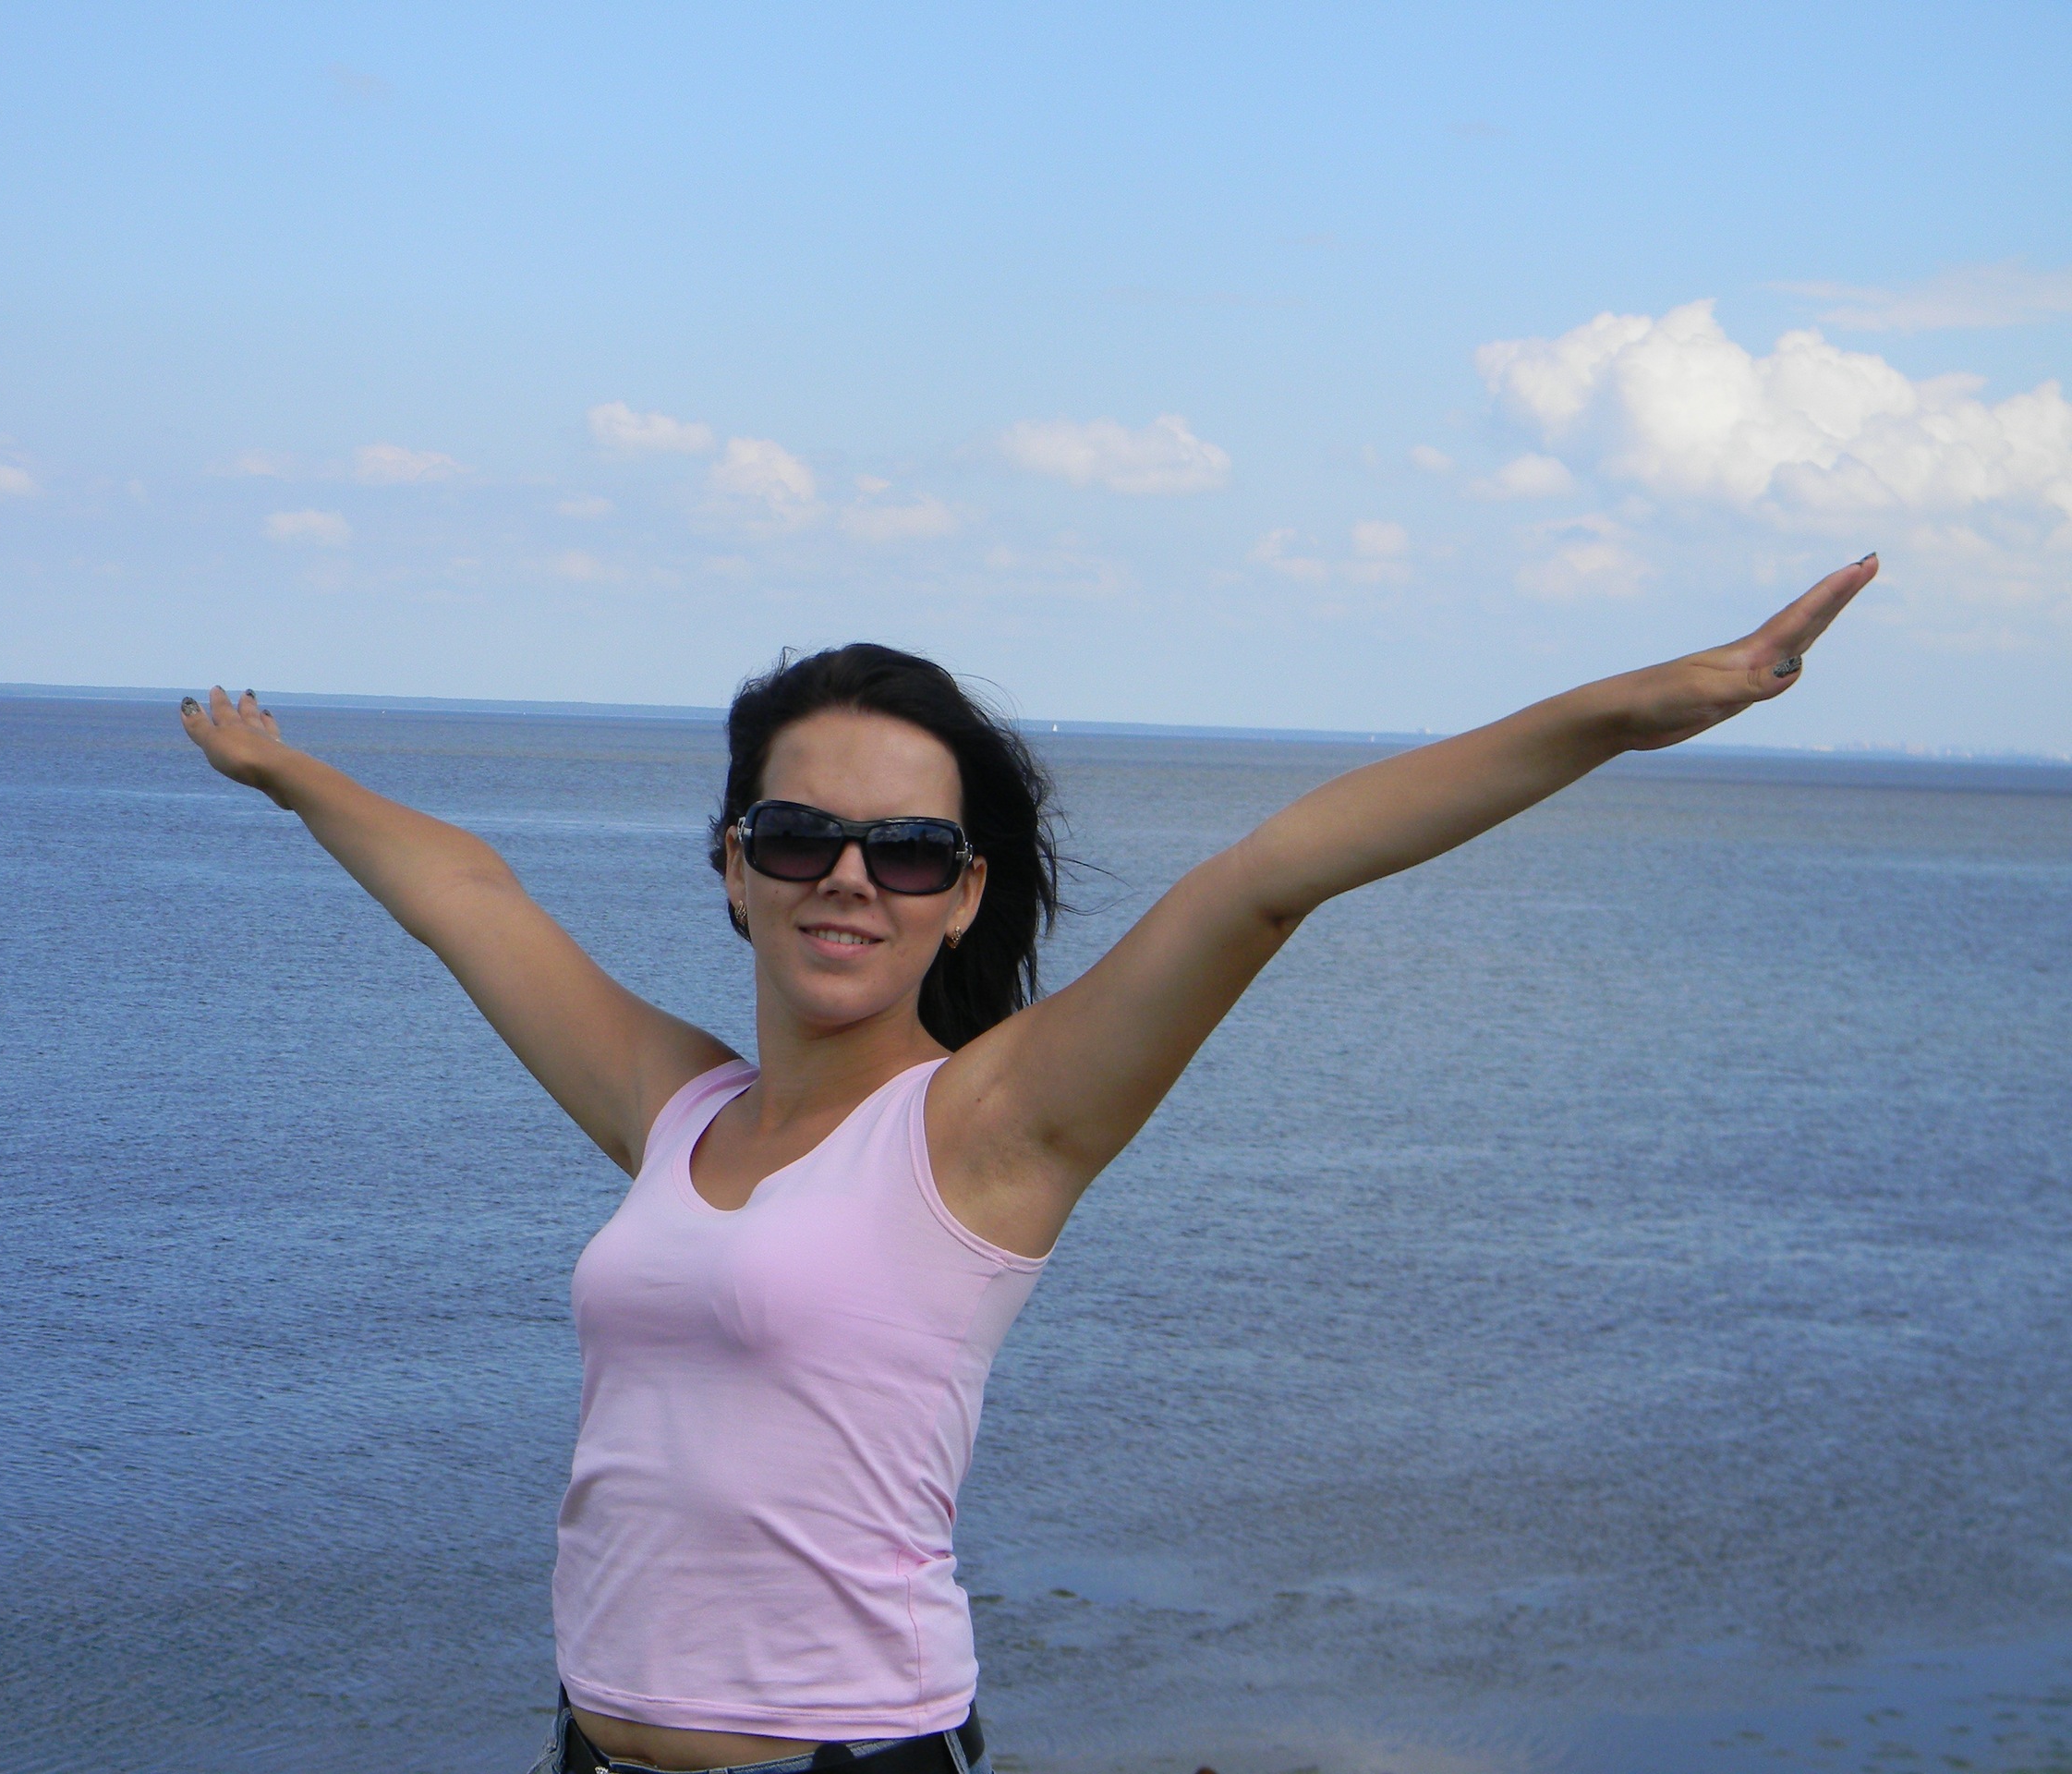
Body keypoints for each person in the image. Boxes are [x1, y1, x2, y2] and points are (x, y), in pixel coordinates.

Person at [180, 553, 1876, 1774]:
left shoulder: (985, 1133)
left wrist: (1634, 711)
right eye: (800, 836)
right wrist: (283, 770)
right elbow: (472, 898)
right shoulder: (675, 1112)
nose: (852, 878)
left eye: (911, 850)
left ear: (966, 893)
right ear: (735, 868)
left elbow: (1271, 875)